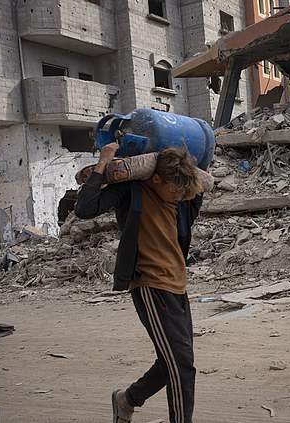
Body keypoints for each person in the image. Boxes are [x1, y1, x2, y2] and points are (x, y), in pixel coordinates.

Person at [75, 142, 207, 423]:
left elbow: (197, 189)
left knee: (173, 360)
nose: (178, 195)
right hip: (150, 284)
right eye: (174, 189)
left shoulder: (180, 198)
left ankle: (127, 399)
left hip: (178, 286)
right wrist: (104, 162)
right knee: (181, 366)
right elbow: (85, 208)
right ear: (155, 179)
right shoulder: (131, 190)